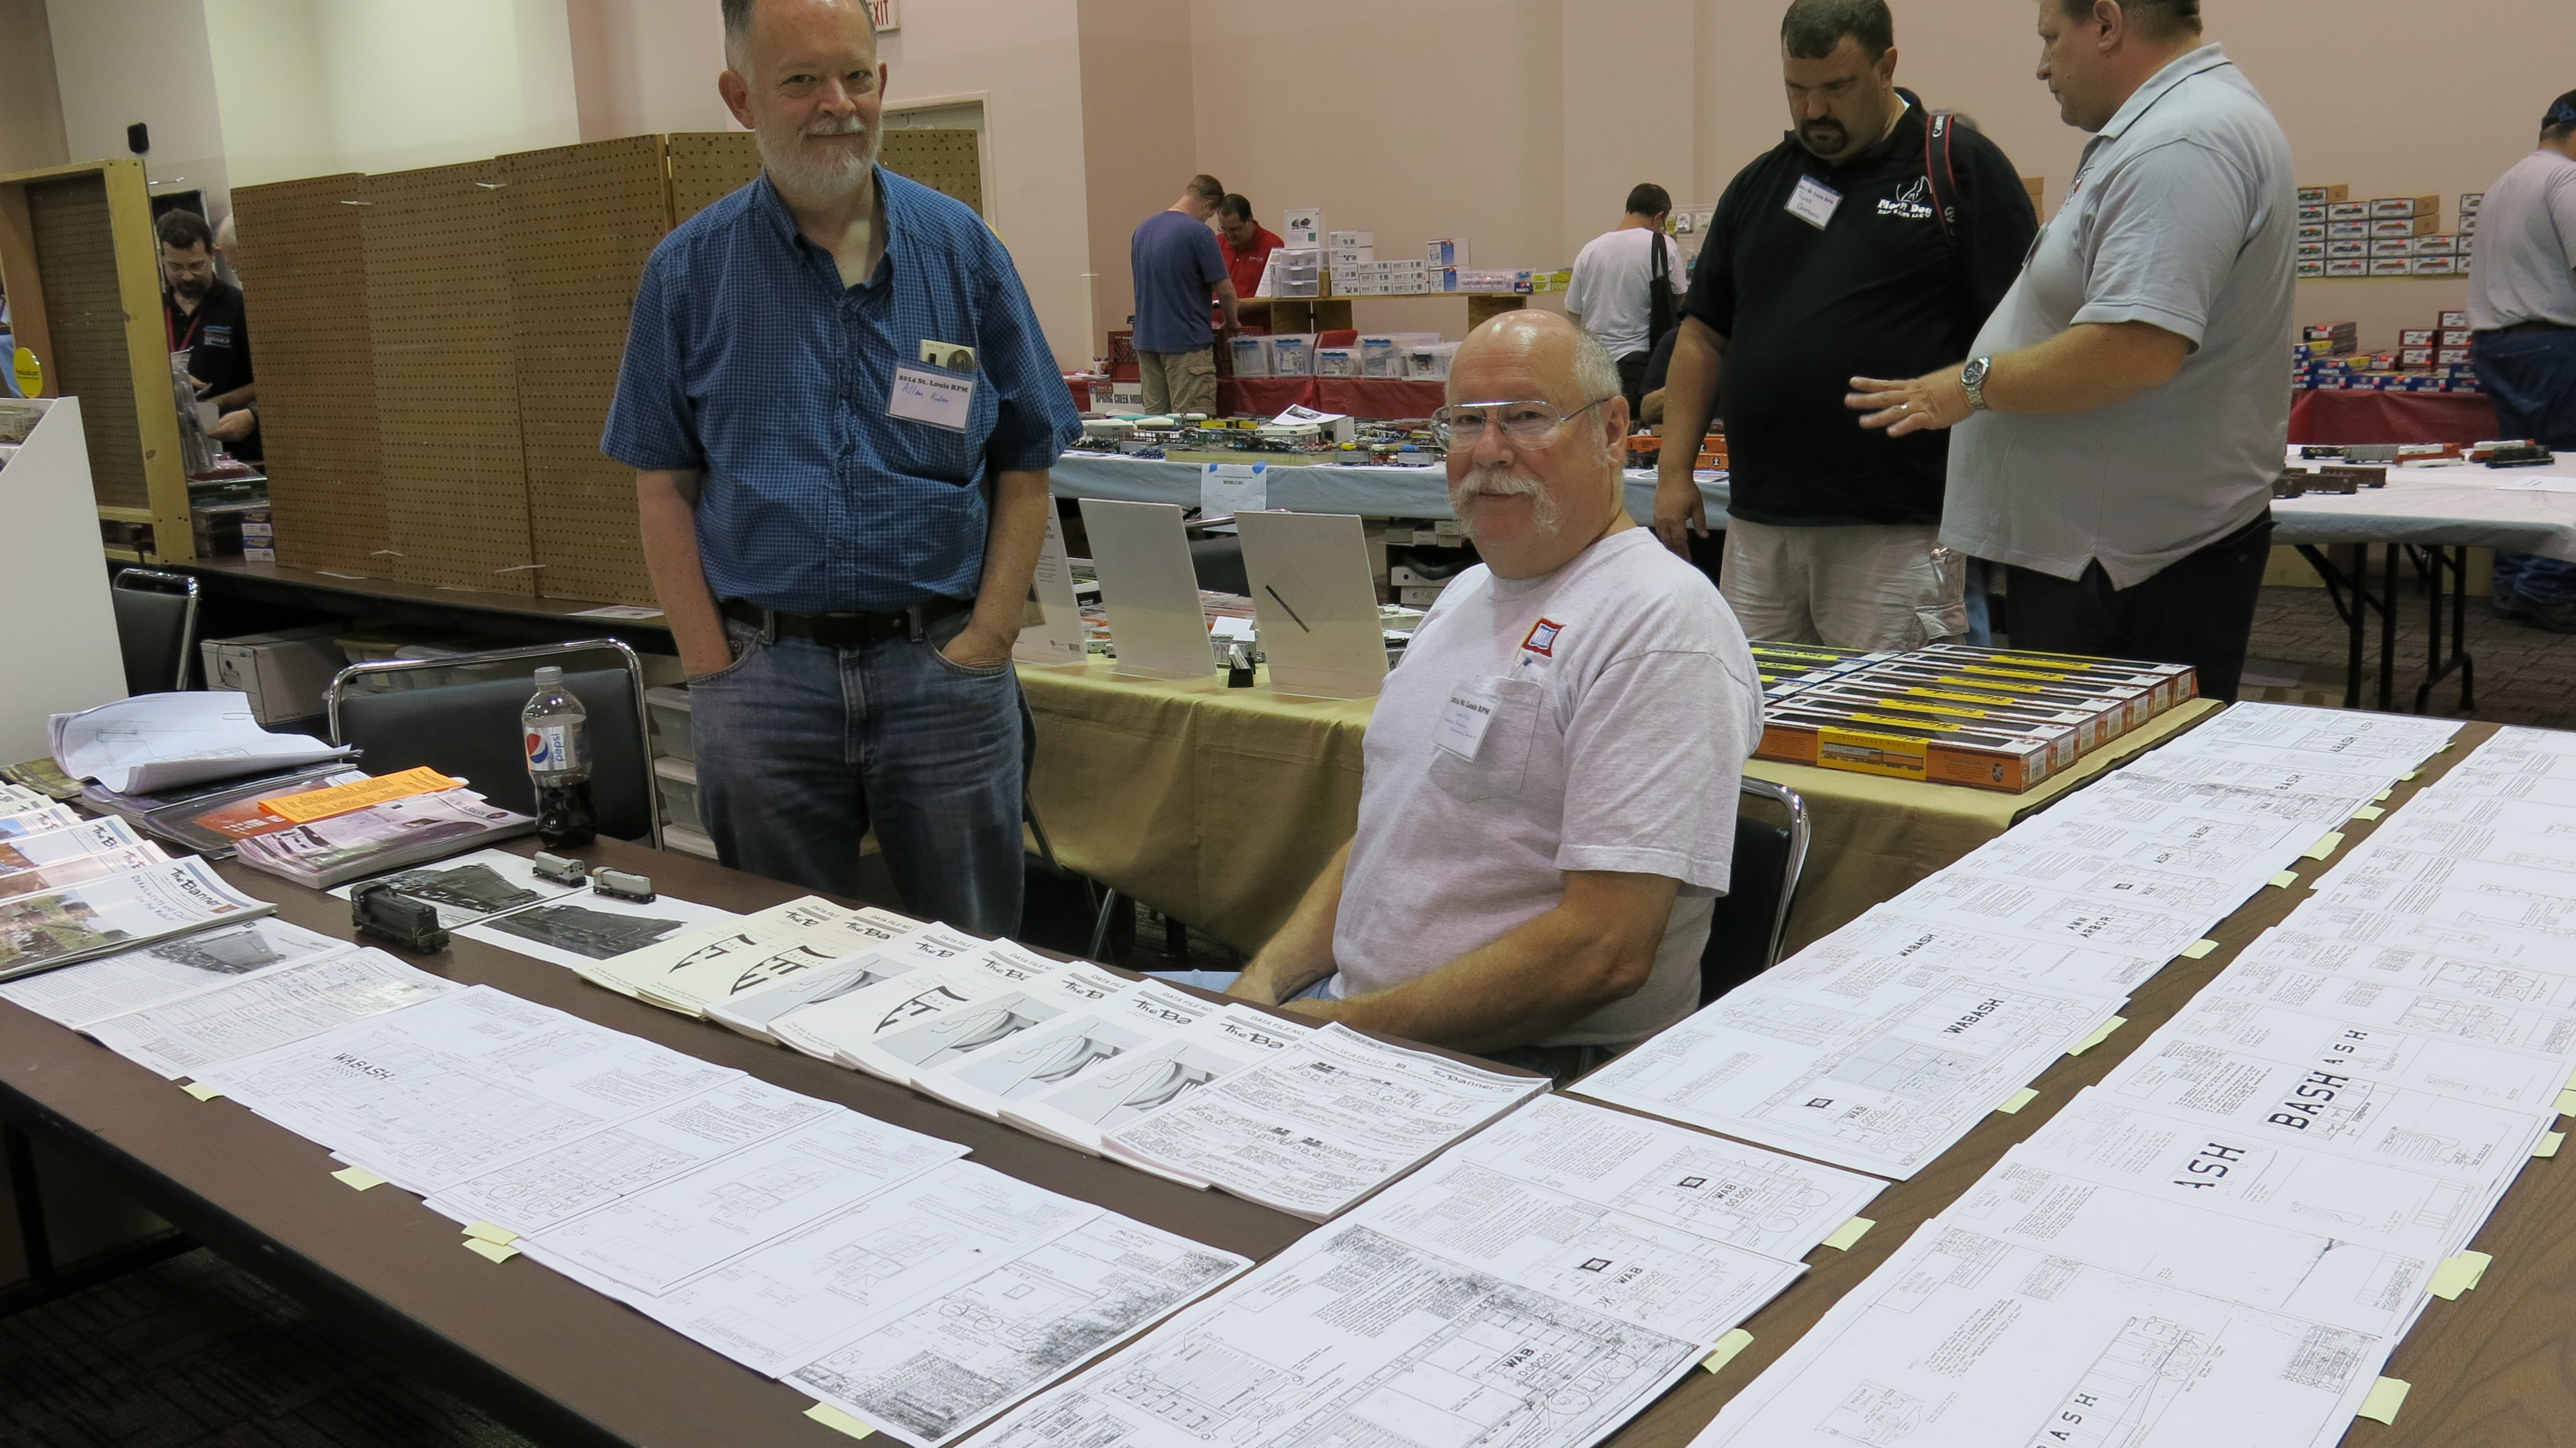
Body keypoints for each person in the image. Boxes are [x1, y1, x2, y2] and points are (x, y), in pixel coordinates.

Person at [601, 0, 1080, 935]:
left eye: (857, 77)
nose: (838, 105)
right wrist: (711, 666)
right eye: (801, 82)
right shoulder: (688, 274)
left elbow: (1025, 460)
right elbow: (662, 484)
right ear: (740, 98)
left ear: (883, 83)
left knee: (977, 962)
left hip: (941, 671)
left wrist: (986, 641)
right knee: (787, 966)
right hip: (767, 685)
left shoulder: (963, 254)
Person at [1227, 311, 1761, 1080]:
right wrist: (1261, 986)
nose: (1487, 451)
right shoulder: (1470, 592)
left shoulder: (1658, 624)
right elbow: (1396, 831)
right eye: (1465, 422)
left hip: (1511, 1066)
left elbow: (1603, 952)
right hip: (1354, 1020)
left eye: (1525, 418)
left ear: (1613, 433)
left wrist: (1331, 1028)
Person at [1842, 0, 2291, 703]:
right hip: (2117, 551)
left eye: (2052, 39)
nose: (2042, 65)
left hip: (2135, 566)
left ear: (2107, 23)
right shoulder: (2166, 128)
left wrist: (1966, 386)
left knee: (2116, 786)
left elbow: (2134, 348)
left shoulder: (2181, 142)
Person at [1656, 0, 2036, 651]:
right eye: (1796, 89)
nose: (1813, 111)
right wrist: (1672, 473)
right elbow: (1702, 334)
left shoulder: (1957, 169)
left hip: (1897, 526)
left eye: (1835, 87)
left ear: (1886, 66)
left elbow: (2024, 337)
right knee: (1758, 725)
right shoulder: (1758, 186)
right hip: (1759, 525)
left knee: (1885, 735)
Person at [2469, 91, 2576, 631]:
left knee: (2527, 472)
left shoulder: (2506, 183)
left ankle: (2513, 585)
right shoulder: (2567, 181)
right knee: (2569, 469)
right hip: (2555, 346)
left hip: (2498, 345)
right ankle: (2545, 587)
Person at [1563, 184, 1690, 418]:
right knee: (1633, 436)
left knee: (1598, 432)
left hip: (1595, 363)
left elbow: (1574, 312)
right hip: (1639, 361)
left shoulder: (1590, 250)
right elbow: (1682, 299)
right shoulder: (1662, 245)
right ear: (1660, 217)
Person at [1129, 174, 1239, 415]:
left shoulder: (1143, 229)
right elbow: (1226, 291)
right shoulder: (1199, 233)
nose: (1207, 220)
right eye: (1210, 215)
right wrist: (1232, 323)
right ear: (1208, 204)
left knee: (1156, 426)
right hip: (1186, 344)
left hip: (1147, 342)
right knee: (1191, 428)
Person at [158, 208, 261, 462]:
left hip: (235, 446)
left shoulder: (241, 307)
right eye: (175, 267)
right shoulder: (147, 312)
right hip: (170, 447)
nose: (187, 276)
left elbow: (268, 380)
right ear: (161, 258)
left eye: (196, 265)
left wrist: (218, 404)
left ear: (212, 255)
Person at [1216, 193, 1281, 308]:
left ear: (1249, 219)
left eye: (1235, 229)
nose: (1230, 235)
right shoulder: (1216, 243)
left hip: (1256, 324)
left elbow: (1281, 297)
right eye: (1224, 229)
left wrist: (1244, 306)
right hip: (1214, 324)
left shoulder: (1273, 246)